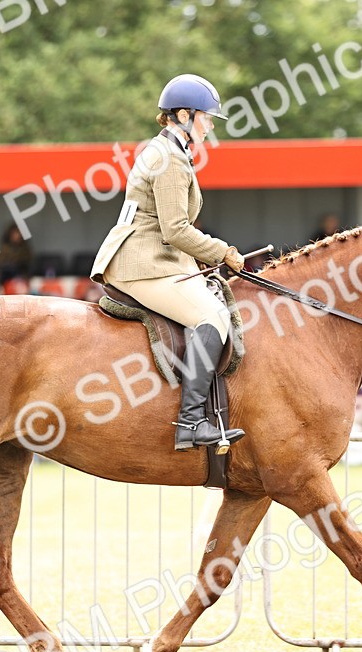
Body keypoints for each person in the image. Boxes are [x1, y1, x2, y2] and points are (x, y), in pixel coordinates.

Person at [90, 74, 246, 451]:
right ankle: (191, 422)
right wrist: (221, 251)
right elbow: (175, 230)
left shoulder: (168, 152)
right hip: (144, 263)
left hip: (158, 259)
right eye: (207, 118)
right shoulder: (169, 160)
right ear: (183, 115)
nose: (210, 126)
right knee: (211, 317)